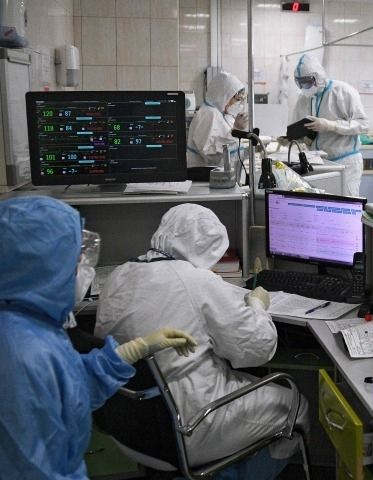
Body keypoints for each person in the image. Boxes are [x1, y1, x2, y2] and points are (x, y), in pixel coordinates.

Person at [95, 203, 309, 479]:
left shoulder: (119, 275)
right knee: (295, 404)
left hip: (130, 427)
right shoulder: (194, 280)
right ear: (207, 248)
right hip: (189, 425)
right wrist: (257, 305)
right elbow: (258, 348)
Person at [0, 196, 196, 479]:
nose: (84, 267)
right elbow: (34, 468)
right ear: (40, 268)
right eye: (75, 259)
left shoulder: (32, 327)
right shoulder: (20, 353)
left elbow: (71, 387)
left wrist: (133, 350)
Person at [289, 54, 369, 196]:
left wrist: (331, 125)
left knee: (346, 203)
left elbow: (363, 125)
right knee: (323, 204)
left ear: (318, 77)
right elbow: (297, 126)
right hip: (319, 164)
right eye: (300, 83)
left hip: (345, 163)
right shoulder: (304, 98)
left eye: (307, 82)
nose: (304, 87)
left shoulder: (343, 92)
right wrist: (290, 137)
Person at [187, 71, 248, 168]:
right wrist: (236, 131)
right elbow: (211, 157)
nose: (237, 104)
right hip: (205, 175)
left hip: (221, 173)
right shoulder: (207, 114)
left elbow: (227, 141)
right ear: (224, 96)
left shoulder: (221, 115)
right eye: (236, 99)